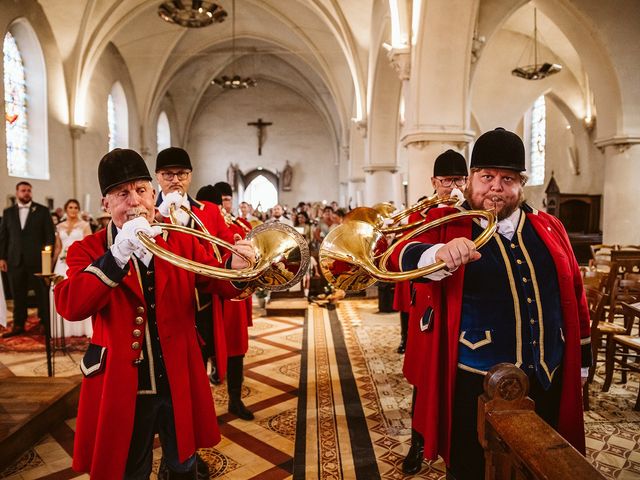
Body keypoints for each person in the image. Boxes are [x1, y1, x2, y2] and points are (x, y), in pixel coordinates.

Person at [388, 128, 591, 479]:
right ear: (470, 180)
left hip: (547, 376)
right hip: (473, 380)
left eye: (507, 178)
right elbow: (397, 256)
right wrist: (436, 254)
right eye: (486, 177)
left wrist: (583, 362)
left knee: (541, 466)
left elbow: (576, 296)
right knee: (472, 467)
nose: (496, 187)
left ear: (520, 185)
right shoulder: (447, 224)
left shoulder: (549, 227)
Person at [54, 148, 254, 479]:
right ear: (106, 204)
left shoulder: (178, 238)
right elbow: (71, 305)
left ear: (153, 193)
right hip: (123, 382)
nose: (134, 202)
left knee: (183, 465)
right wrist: (117, 255)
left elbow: (215, 280)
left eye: (141, 190)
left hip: (179, 375)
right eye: (122, 194)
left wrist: (236, 267)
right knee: (130, 468)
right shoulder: (88, 250)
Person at [398, 149, 469, 474]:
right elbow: (408, 254)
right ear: (433, 182)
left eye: (458, 180)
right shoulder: (420, 216)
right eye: (446, 181)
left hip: (461, 311)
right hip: (427, 311)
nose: (452, 187)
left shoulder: (474, 212)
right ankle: (417, 442)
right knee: (423, 380)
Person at [154, 148, 234, 388]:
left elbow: (227, 245)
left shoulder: (208, 210)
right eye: (168, 174)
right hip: (164, 300)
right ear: (157, 176)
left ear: (190, 176)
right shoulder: (148, 211)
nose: (175, 180)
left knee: (200, 362)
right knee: (166, 369)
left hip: (203, 300)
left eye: (181, 174)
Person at [212, 181, 255, 420]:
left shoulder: (240, 226)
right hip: (209, 295)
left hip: (233, 297)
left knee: (236, 348)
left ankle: (235, 399)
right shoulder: (201, 227)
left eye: (227, 200)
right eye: (221, 201)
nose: (224, 205)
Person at [0, 181, 56, 337]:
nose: (26, 193)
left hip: (38, 260)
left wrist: (48, 257)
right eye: (23, 190)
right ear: (17, 192)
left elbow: (49, 235)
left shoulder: (42, 211)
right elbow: (3, 236)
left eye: (29, 190)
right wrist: (2, 258)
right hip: (14, 260)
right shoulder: (8, 212)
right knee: (18, 294)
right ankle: (18, 324)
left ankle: (45, 323)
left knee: (41, 294)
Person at [52, 199, 93, 338]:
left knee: (77, 290)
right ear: (66, 209)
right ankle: (63, 329)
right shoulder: (59, 227)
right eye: (70, 207)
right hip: (61, 263)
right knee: (60, 290)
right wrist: (51, 264)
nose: (73, 210)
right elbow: (58, 247)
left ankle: (82, 328)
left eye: (76, 207)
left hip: (78, 261)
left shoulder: (85, 225)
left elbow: (88, 245)